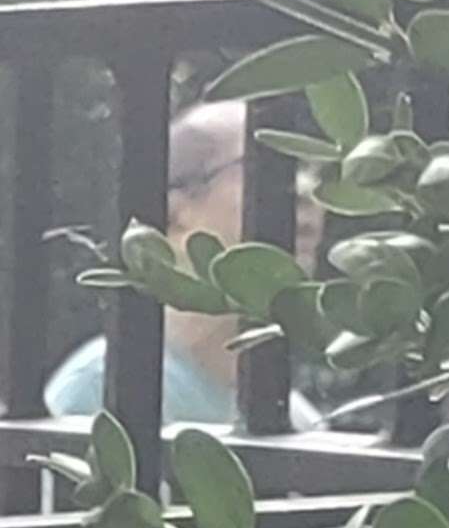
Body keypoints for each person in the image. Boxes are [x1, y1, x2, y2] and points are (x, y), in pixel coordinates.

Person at [40, 100, 315, 429]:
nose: (305, 189)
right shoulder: (101, 388)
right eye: (269, 165)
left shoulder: (298, 419)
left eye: (306, 166)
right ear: (174, 212)